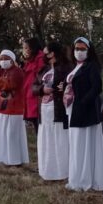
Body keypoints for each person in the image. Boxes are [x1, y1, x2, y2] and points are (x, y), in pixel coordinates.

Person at [66, 37, 103, 192]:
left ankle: (85, 179)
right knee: (76, 144)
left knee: (83, 144)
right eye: (76, 48)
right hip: (74, 110)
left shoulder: (92, 66)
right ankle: (77, 177)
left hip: (86, 111)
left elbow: (97, 88)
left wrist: (82, 102)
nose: (79, 52)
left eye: (82, 49)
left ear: (89, 51)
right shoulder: (75, 66)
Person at [0, 49, 28, 166]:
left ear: (12, 60)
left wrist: (0, 83)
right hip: (0, 109)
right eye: (1, 59)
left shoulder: (18, 72)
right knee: (0, 134)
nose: (3, 61)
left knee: (11, 136)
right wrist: (2, 81)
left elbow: (11, 84)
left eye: (6, 59)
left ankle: (13, 159)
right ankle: (0, 157)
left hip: (14, 109)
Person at [35, 42, 71, 181]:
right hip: (43, 111)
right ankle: (47, 170)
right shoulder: (43, 69)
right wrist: (41, 90)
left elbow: (69, 87)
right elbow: (34, 86)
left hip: (58, 110)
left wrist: (62, 88)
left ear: (53, 53)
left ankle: (62, 171)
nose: (44, 55)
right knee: (47, 140)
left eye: (46, 52)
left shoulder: (66, 68)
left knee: (59, 140)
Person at [21, 37, 45, 132]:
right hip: (29, 95)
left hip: (36, 97)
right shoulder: (29, 60)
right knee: (36, 125)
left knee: (39, 126)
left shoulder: (40, 59)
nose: (25, 50)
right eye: (24, 48)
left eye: (26, 48)